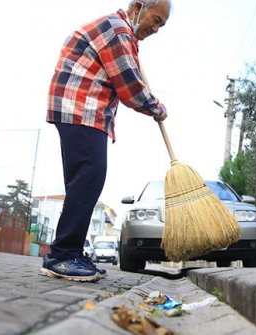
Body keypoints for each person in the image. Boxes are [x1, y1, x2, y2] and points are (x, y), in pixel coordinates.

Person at [40, 0, 171, 282]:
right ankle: (62, 255)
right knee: (89, 176)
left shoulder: (124, 34)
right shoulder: (118, 30)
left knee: (84, 181)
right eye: (156, 19)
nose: (156, 28)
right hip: (80, 106)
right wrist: (156, 107)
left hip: (81, 109)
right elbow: (130, 86)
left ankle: (69, 251)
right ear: (138, 7)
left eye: (162, 25)